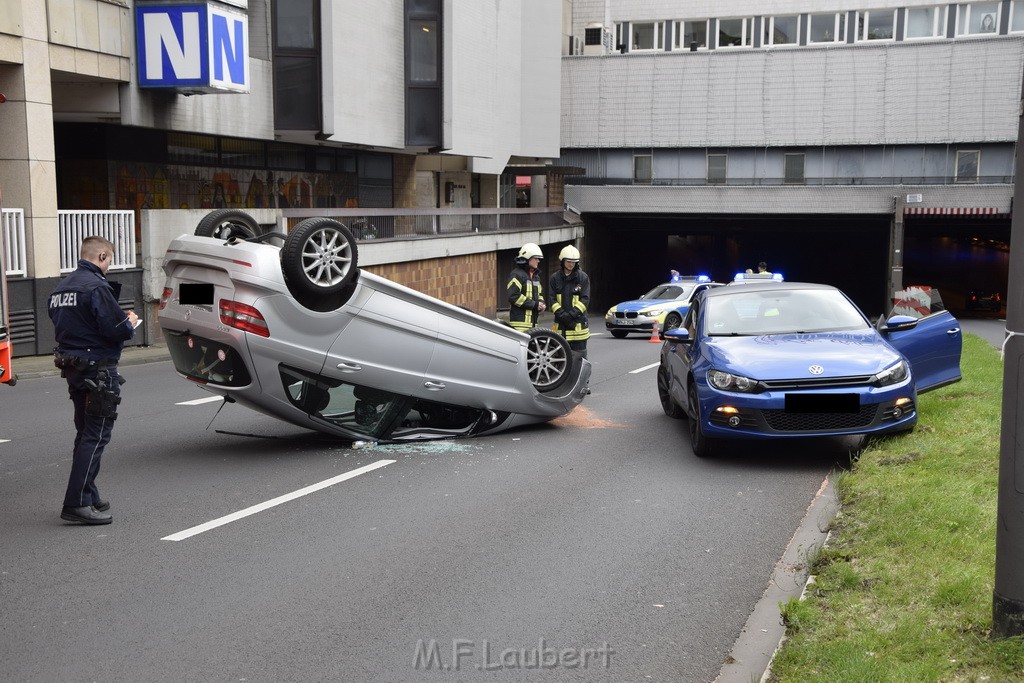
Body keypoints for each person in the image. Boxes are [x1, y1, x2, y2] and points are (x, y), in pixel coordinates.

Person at [48, 236, 138, 525]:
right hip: (98, 370)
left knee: (85, 432)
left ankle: (89, 494)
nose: (109, 266)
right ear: (101, 256)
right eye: (109, 259)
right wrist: (130, 323)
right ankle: (75, 503)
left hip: (74, 369)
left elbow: (67, 324)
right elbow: (116, 330)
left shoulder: (62, 287)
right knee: (96, 435)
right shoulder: (97, 287)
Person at [549, 245, 591, 358]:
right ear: (562, 261)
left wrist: (571, 315)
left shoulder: (583, 277)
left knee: (579, 359)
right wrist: (562, 315)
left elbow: (585, 299)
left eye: (574, 262)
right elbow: (552, 299)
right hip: (561, 327)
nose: (571, 264)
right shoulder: (554, 278)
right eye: (568, 262)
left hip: (578, 329)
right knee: (560, 359)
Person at [507, 242, 546, 331]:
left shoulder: (536, 277)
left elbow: (539, 294)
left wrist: (541, 303)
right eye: (536, 258)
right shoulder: (516, 275)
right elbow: (514, 296)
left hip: (533, 324)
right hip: (519, 325)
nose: (538, 261)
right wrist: (535, 305)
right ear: (527, 258)